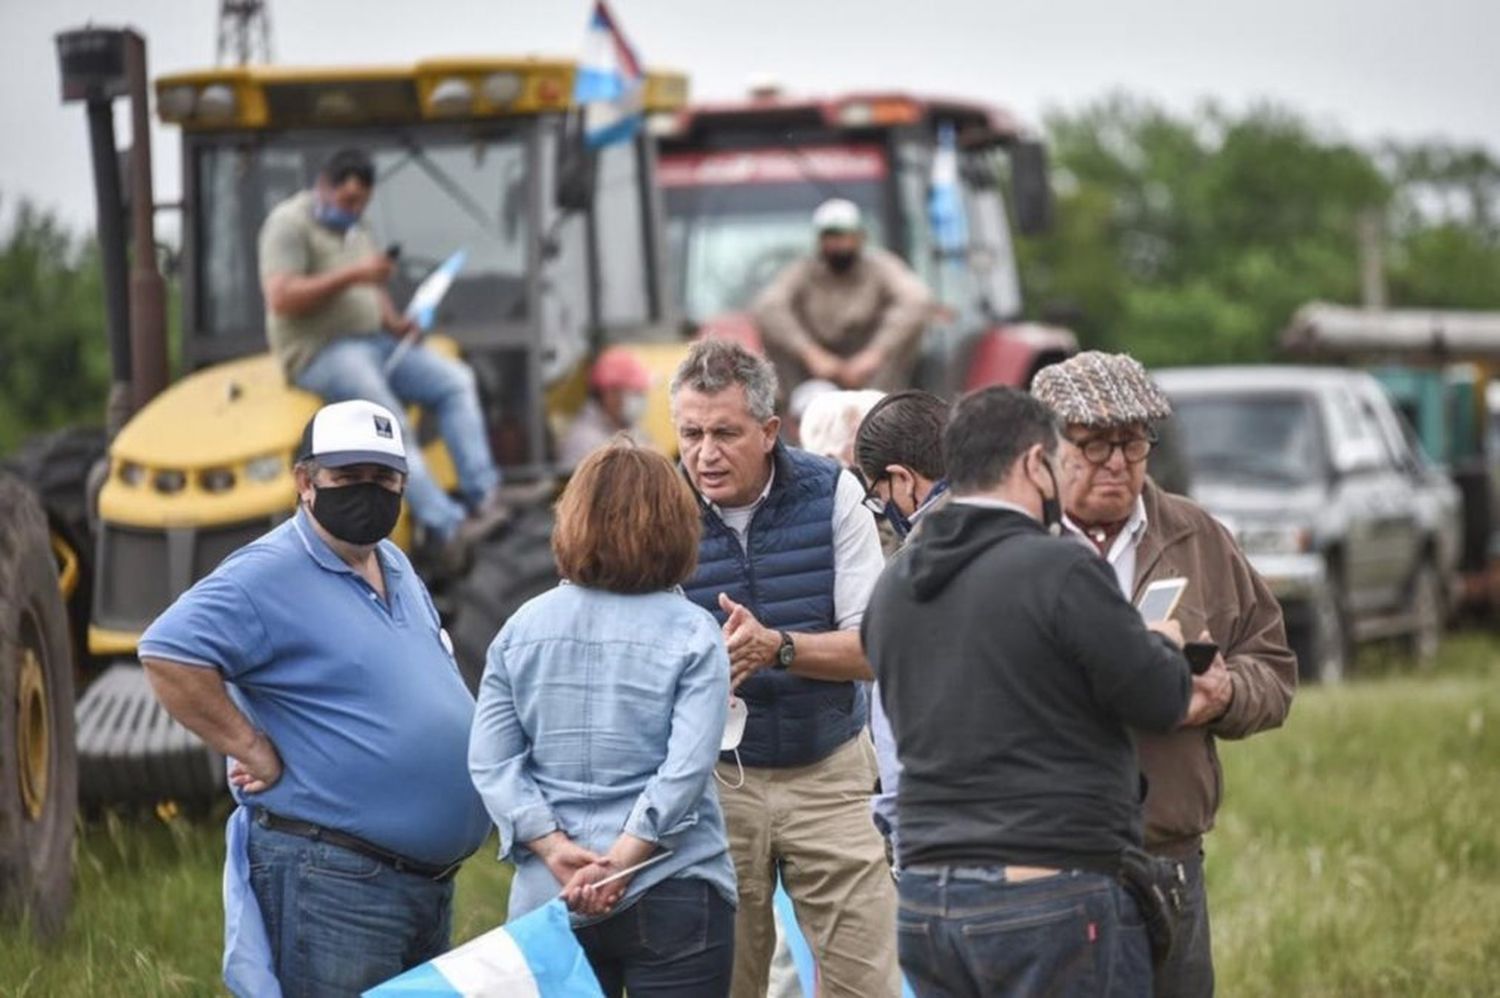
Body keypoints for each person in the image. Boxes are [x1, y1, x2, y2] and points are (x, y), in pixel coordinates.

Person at [139, 399, 492, 997]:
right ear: (306, 482)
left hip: (424, 884)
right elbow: (167, 651)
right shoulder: (267, 572)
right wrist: (249, 746)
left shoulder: (394, 562)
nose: (369, 492)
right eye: (348, 478)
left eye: (383, 479)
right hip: (337, 883)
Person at [862, 386, 1193, 997]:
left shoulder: (893, 589)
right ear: (1033, 463)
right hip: (1050, 884)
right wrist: (1162, 642)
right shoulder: (1060, 570)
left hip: (929, 898)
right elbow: (1160, 699)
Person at [1032, 351, 1298, 998]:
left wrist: (1226, 693)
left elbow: (1275, 667)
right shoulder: (1012, 541)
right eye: (1095, 446)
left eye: (1134, 443)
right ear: (1042, 449)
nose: (1118, 463)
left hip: (1167, 850)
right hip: (1042, 859)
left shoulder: (1195, 534)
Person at [669, 338, 901, 998]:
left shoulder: (834, 494)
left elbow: (874, 649)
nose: (705, 453)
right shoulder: (659, 506)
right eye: (690, 433)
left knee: (867, 985)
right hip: (711, 780)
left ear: (770, 431)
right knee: (728, 985)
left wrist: (779, 648)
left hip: (828, 770)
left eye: (725, 433)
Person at [468, 442, 737, 996]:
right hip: (672, 888)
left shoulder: (520, 629)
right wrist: (621, 860)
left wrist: (552, 845)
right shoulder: (693, 632)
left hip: (550, 894)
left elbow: (492, 760)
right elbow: (685, 769)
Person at [259, 147, 505, 549]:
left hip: (376, 342)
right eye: (348, 201)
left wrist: (397, 324)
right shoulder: (287, 225)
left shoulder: (356, 225)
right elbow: (281, 297)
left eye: (362, 202)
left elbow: (372, 287)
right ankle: (448, 526)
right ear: (324, 186)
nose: (354, 210)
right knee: (390, 422)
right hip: (320, 351)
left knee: (456, 381)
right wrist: (354, 273)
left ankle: (486, 496)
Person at [850, 389, 951, 862]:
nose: (884, 508)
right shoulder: (1035, 532)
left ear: (903, 478)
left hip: (940, 835)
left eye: (879, 494)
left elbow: (894, 722)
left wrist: (900, 838)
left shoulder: (910, 571)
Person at [752, 198, 933, 397]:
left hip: (873, 369)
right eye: (831, 235)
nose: (838, 243)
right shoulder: (802, 272)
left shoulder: (881, 268)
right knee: (772, 326)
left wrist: (875, 353)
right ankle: (794, 408)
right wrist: (811, 353)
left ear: (860, 237)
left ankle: (882, 403)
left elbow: (917, 299)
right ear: (820, 240)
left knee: (913, 322)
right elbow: (768, 306)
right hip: (814, 370)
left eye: (844, 235)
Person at [558, 346, 654, 468]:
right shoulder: (584, 441)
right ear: (610, 394)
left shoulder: (634, 431)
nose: (642, 399)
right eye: (636, 393)